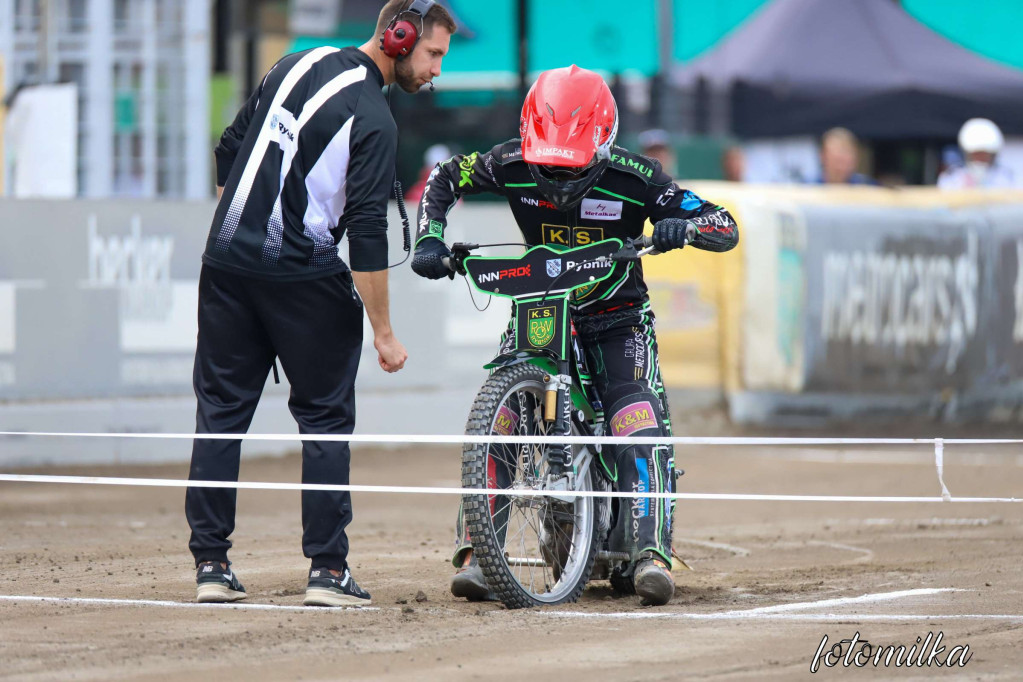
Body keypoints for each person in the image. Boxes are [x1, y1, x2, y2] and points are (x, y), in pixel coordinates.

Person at [411, 65, 739, 606]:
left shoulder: (641, 177)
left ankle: (652, 554)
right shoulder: (506, 160)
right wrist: (430, 237)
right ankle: (475, 551)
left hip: (617, 318)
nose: (560, 182)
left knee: (637, 420)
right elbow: (445, 177)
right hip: (539, 309)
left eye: (572, 168)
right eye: (548, 166)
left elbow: (722, 223)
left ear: (604, 144)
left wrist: (688, 227)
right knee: (503, 418)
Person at [185, 0, 454, 608]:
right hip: (303, 276)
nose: (436, 69)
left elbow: (230, 146)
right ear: (399, 36)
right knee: (326, 421)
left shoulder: (292, 62)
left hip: (226, 263)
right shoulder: (376, 118)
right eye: (433, 53)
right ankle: (328, 573)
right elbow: (366, 230)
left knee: (220, 413)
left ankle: (210, 564)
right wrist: (384, 331)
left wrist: (244, 223)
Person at [938, 118, 1017, 189]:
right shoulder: (953, 176)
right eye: (977, 154)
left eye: (984, 154)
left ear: (992, 156)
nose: (980, 158)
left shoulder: (1004, 177)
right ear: (968, 154)